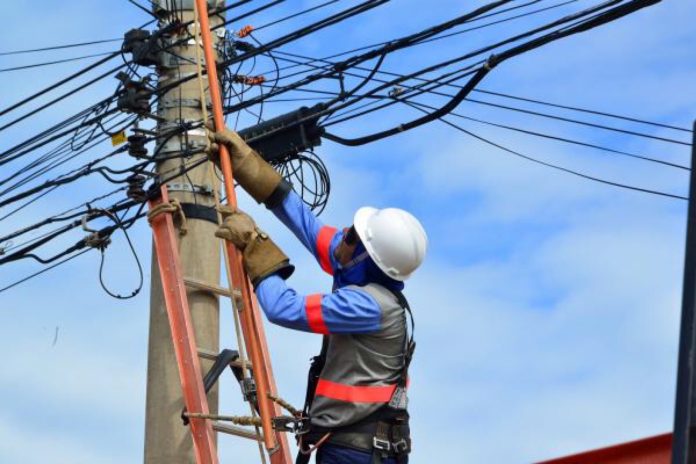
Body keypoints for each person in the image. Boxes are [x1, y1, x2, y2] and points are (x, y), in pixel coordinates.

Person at [209, 128, 427, 464]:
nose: (343, 236)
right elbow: (306, 224)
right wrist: (247, 166)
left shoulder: (368, 305)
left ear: (367, 258)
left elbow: (283, 308)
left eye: (354, 236)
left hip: (356, 453)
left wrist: (255, 244)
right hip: (355, 446)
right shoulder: (357, 267)